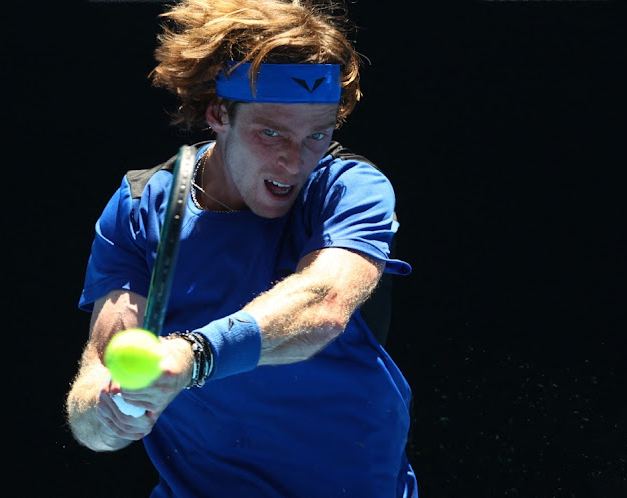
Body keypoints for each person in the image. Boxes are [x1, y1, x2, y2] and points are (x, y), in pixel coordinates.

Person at [65, 0, 418, 496]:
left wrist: (193, 357)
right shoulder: (142, 206)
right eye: (270, 132)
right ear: (218, 114)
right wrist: (105, 419)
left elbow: (324, 305)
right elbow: (95, 383)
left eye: (317, 135)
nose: (294, 161)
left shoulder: (349, 188)